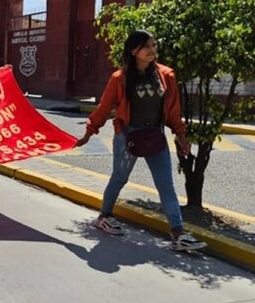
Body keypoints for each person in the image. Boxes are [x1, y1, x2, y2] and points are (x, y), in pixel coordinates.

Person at [75, 29, 206, 251]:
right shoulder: (120, 79)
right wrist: (89, 133)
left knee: (166, 185)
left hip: (155, 137)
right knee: (119, 178)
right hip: (128, 137)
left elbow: (173, 111)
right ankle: (104, 216)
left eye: (154, 45)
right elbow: (104, 108)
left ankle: (178, 234)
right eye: (147, 46)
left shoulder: (166, 76)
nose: (153, 50)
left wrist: (181, 136)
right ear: (134, 51)